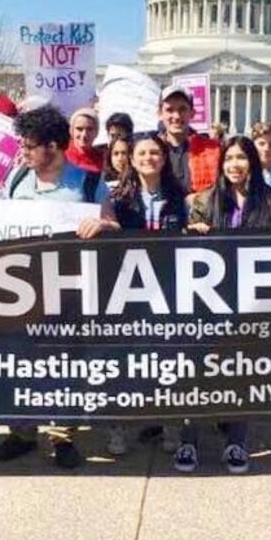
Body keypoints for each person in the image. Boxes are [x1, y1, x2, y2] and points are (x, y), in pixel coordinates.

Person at [0, 104, 113, 469]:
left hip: (69, 292)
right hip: (22, 293)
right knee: (22, 362)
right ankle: (23, 431)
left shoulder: (89, 183)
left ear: (54, 147)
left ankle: (63, 435)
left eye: (29, 146)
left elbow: (115, 226)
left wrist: (102, 227)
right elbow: (3, 224)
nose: (22, 152)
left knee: (65, 364)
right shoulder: (16, 180)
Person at [183, 136, 271, 473]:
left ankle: (237, 443)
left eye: (241, 158)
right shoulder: (204, 200)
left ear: (252, 163)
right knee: (197, 370)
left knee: (241, 371)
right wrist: (192, 233)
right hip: (207, 299)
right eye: (229, 158)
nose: (234, 165)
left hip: (250, 302)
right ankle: (189, 440)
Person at [102, 132, 189, 456]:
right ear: (132, 158)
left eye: (155, 152)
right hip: (126, 290)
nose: (148, 158)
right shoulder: (118, 198)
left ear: (164, 158)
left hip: (168, 290)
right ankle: (118, 428)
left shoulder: (181, 197)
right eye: (142, 152)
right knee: (123, 363)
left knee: (167, 362)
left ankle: (170, 424)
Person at [159, 85, 221, 194]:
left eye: (182, 109)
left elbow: (222, 188)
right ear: (160, 113)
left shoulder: (213, 149)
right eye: (169, 110)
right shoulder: (152, 150)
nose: (177, 116)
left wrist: (198, 201)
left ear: (192, 113)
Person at [65, 107, 103, 173]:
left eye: (90, 129)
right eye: (79, 129)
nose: (84, 134)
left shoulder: (102, 161)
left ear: (96, 132)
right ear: (71, 131)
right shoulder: (60, 154)